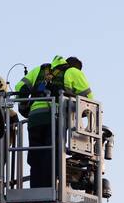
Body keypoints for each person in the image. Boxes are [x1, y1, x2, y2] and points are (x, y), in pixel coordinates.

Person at [14, 55, 91, 188]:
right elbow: (88, 101)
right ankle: (50, 189)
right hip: (54, 118)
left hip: (34, 119)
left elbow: (19, 87)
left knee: (36, 156)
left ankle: (36, 189)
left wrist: (25, 104)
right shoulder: (73, 72)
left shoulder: (40, 70)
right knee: (52, 155)